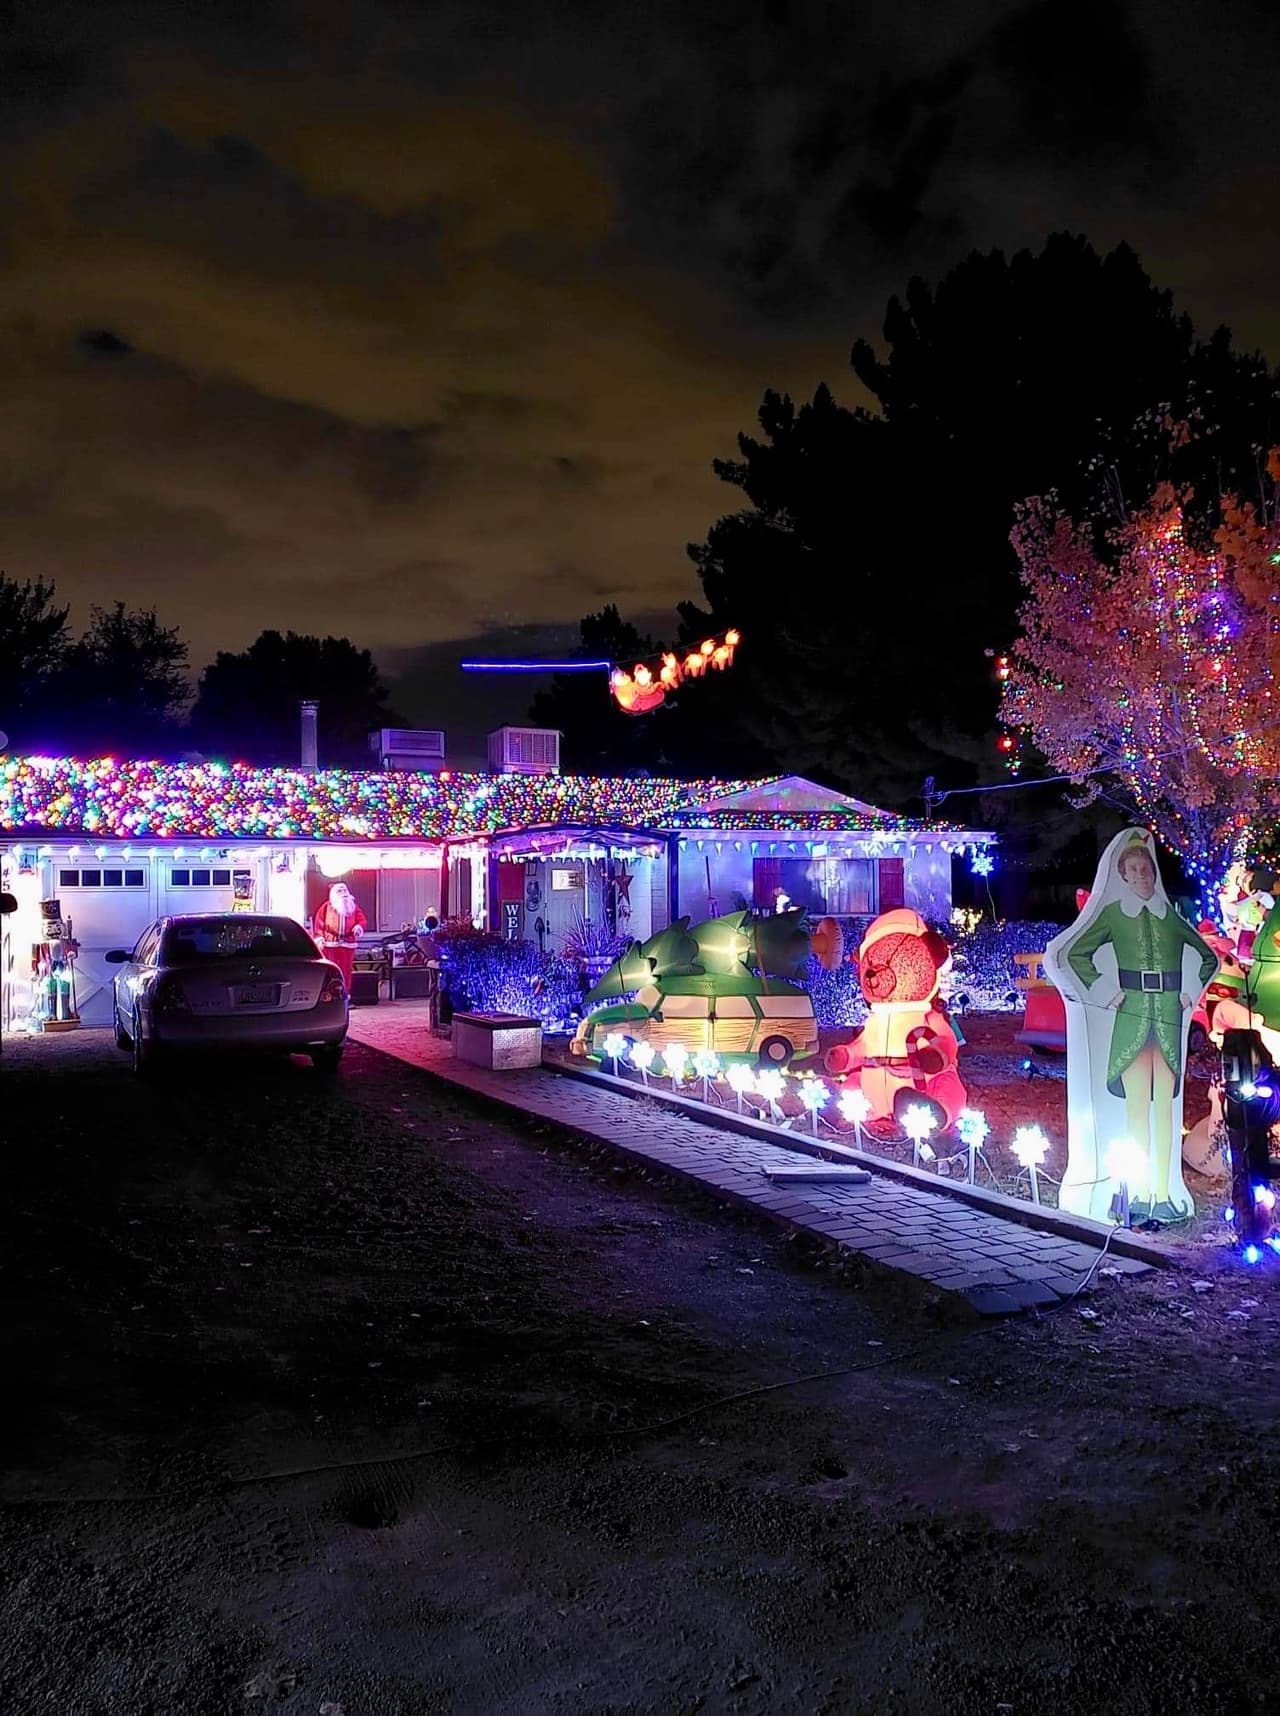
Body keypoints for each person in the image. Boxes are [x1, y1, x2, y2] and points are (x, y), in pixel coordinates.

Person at [1063, 832, 1217, 1220]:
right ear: (1124, 875)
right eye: (1133, 869)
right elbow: (1075, 952)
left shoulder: (1171, 917)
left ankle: (1161, 1193)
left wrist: (1190, 993)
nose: (1142, 875)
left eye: (1146, 868)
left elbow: (1207, 957)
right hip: (1132, 1015)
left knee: (1163, 1105)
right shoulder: (1115, 914)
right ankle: (1136, 1192)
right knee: (1136, 1105)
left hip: (1166, 1013)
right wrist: (1105, 989)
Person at [312, 881, 367, 988]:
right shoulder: (326, 907)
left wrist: (358, 927)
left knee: (346, 970)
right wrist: (319, 938)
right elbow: (319, 923)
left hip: (348, 944)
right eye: (339, 891)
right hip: (330, 944)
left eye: (344, 890)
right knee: (330, 969)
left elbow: (362, 920)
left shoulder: (353, 907)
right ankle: (329, 994)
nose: (343, 893)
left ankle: (345, 995)